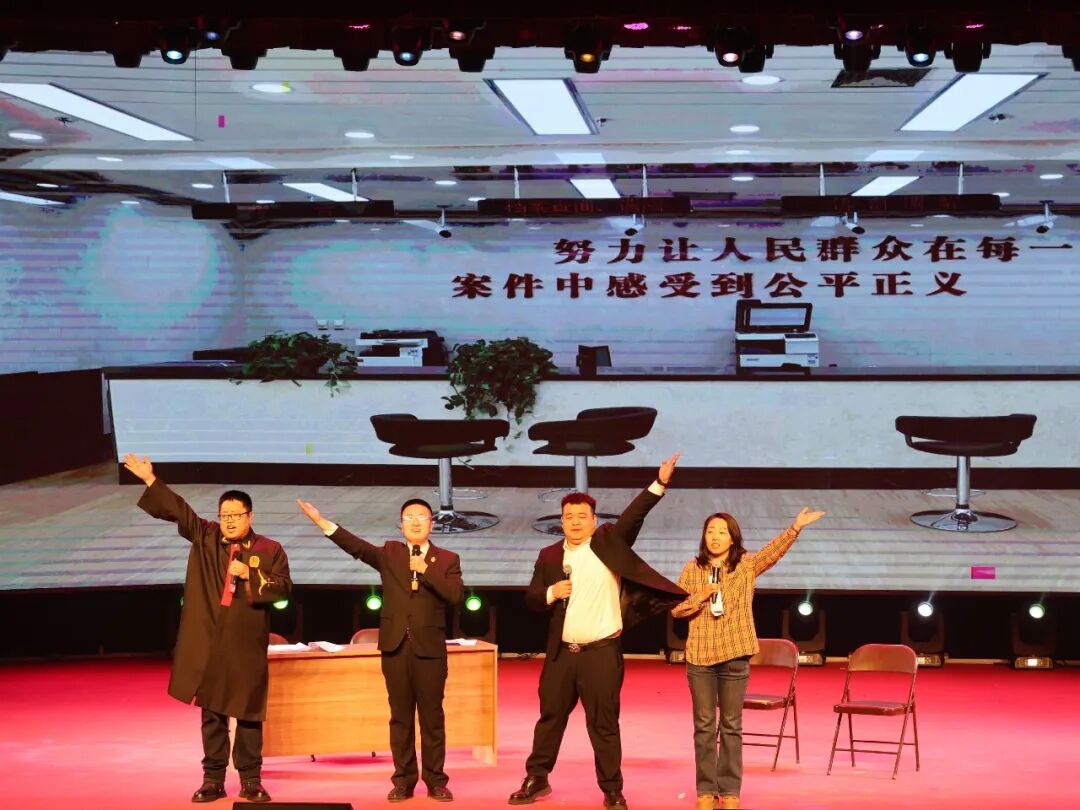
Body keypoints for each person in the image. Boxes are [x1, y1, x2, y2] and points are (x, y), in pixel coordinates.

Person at [508, 453, 686, 810]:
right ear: (561, 520)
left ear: (594, 520)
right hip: (561, 654)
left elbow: (634, 515)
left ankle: (612, 789)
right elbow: (531, 598)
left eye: (582, 516)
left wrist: (659, 483)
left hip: (601, 653)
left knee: (603, 724)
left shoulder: (609, 543)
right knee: (550, 719)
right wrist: (551, 592)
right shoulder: (549, 555)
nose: (575, 522)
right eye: (569, 516)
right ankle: (536, 778)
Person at [122, 453, 291, 805]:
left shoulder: (270, 549)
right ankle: (213, 780)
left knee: (248, 714)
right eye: (224, 515)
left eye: (236, 515)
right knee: (212, 713)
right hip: (210, 641)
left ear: (250, 516)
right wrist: (150, 479)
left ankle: (251, 780)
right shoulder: (206, 536)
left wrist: (252, 574)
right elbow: (179, 510)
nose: (229, 521)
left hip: (245, 644)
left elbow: (283, 589)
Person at [297, 496, 464, 803]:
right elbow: (357, 547)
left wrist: (425, 571)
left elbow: (455, 596)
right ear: (401, 525)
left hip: (430, 650)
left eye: (422, 517)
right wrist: (322, 523)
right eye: (409, 517)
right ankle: (403, 781)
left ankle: (436, 781)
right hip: (395, 648)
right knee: (400, 718)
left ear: (432, 524)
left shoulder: (447, 559)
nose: (415, 522)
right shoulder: (390, 553)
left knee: (432, 718)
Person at [671, 507, 826, 810]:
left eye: (722, 532)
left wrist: (795, 527)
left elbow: (773, 553)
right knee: (704, 726)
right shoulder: (692, 569)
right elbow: (677, 609)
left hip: (735, 655)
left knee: (731, 725)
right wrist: (700, 596)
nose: (715, 537)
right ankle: (706, 790)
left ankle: (730, 791)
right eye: (710, 531)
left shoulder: (745, 565)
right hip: (700, 657)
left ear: (733, 538)